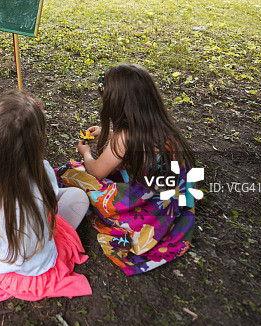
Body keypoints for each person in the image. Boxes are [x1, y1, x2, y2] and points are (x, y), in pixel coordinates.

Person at [0, 91, 92, 303]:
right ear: (36, 143)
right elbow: (50, 203)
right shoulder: (42, 172)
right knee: (79, 197)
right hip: (34, 266)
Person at [59, 64, 197, 276]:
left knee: (72, 174)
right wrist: (108, 133)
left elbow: (96, 172)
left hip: (145, 203)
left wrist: (85, 153)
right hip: (170, 199)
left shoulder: (124, 138)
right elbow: (136, 143)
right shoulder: (161, 124)